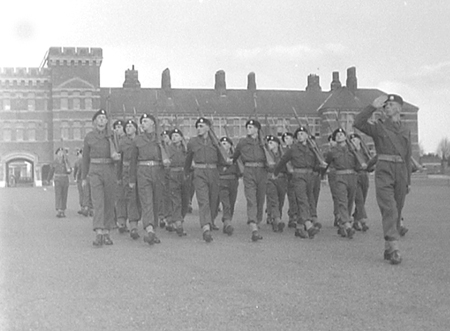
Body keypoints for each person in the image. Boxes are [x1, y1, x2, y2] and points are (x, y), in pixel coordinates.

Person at [354, 94, 412, 265]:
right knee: (390, 208)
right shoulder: (379, 127)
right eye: (385, 105)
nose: (387, 107)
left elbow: (408, 156)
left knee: (398, 209)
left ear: (399, 109)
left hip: (401, 171)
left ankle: (388, 247)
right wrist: (372, 106)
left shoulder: (405, 130)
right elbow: (358, 123)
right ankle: (394, 248)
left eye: (391, 104)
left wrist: (408, 180)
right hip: (384, 170)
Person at [82, 109, 120, 246]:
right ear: (94, 122)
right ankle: (98, 232)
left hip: (109, 169)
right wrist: (84, 177)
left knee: (109, 202)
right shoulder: (89, 137)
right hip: (95, 170)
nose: (102, 120)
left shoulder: (113, 136)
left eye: (104, 118)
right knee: (98, 202)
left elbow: (118, 154)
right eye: (99, 118)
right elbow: (85, 158)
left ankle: (107, 232)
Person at [274, 126, 320, 239]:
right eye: (298, 134)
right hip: (298, 176)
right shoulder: (293, 149)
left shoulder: (312, 148)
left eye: (303, 133)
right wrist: (275, 172)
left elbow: (317, 163)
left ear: (307, 136)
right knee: (302, 200)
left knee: (309, 200)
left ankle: (299, 228)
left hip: (310, 176)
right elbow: (283, 160)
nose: (300, 136)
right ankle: (308, 225)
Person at [130, 113, 166, 245]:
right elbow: (133, 161)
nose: (143, 123)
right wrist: (132, 180)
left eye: (145, 121)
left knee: (156, 202)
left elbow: (166, 158)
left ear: (153, 124)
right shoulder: (137, 140)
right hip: (143, 172)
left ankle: (153, 230)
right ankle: (149, 229)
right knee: (147, 201)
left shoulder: (160, 139)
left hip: (157, 172)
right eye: (142, 121)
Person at [184, 117, 223, 243]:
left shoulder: (215, 142)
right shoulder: (193, 142)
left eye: (201, 126)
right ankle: (205, 228)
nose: (199, 128)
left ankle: (210, 220)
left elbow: (222, 159)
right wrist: (186, 172)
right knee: (203, 200)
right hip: (199, 172)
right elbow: (188, 159)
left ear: (208, 127)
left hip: (213, 172)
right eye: (198, 126)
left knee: (213, 201)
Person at [232, 119, 268, 242]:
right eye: (247, 127)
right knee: (251, 199)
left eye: (251, 127)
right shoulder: (242, 142)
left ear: (257, 129)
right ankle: (253, 227)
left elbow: (271, 157)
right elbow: (235, 156)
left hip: (262, 171)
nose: (249, 129)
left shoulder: (264, 142)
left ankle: (257, 220)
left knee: (260, 199)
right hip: (249, 171)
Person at [325, 128, 358, 240]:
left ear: (345, 136)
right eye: (337, 135)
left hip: (352, 177)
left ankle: (343, 223)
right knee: (342, 201)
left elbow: (359, 163)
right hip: (340, 177)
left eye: (341, 134)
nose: (339, 136)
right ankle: (347, 225)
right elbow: (326, 164)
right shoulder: (332, 151)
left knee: (350, 201)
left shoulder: (352, 149)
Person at [117, 119, 141, 239]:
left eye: (131, 126)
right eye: (127, 127)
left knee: (138, 198)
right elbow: (120, 160)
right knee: (127, 196)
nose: (128, 129)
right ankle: (129, 224)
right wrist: (118, 176)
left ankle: (134, 222)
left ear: (136, 129)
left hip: (139, 171)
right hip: (126, 171)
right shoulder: (122, 142)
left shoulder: (140, 140)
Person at [166, 129, 190, 236]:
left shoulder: (186, 149)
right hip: (172, 174)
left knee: (185, 200)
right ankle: (178, 224)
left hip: (184, 175)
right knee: (176, 200)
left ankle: (178, 219)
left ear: (181, 137)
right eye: (173, 136)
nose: (174, 137)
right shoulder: (167, 149)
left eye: (177, 135)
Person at [265, 135, 287, 232]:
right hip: (270, 179)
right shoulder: (266, 155)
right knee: (274, 200)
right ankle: (277, 219)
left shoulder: (283, 154)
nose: (269, 144)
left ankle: (277, 220)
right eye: (269, 143)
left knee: (281, 200)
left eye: (272, 143)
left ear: (277, 144)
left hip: (282, 179)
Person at [349, 133, 370, 232]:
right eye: (351, 141)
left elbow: (370, 163)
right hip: (355, 176)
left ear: (359, 141)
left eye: (355, 140)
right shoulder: (350, 152)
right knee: (359, 199)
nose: (353, 142)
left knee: (363, 199)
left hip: (364, 176)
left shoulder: (364, 151)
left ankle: (356, 220)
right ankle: (363, 221)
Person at [218, 136, 239, 236]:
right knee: (226, 203)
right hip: (222, 181)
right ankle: (227, 222)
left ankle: (227, 222)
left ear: (230, 145)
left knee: (232, 203)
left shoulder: (236, 156)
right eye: (222, 143)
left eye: (226, 143)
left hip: (233, 181)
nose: (224, 145)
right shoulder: (218, 156)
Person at [48, 147, 72, 218]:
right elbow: (51, 171)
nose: (61, 154)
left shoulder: (66, 161)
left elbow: (70, 171)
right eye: (59, 153)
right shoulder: (54, 162)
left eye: (62, 153)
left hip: (65, 179)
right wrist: (48, 179)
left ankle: (63, 210)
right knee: (58, 194)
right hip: (58, 179)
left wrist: (68, 168)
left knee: (64, 195)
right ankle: (59, 210)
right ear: (57, 154)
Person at [281, 132, 297, 228]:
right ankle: (293, 217)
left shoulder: (296, 149)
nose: (287, 140)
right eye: (285, 138)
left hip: (298, 175)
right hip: (288, 177)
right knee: (291, 198)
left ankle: (297, 216)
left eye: (289, 138)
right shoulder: (283, 151)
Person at [73, 149, 86, 216]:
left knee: (81, 193)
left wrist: (75, 177)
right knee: (87, 193)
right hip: (88, 178)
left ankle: (83, 207)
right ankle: (88, 208)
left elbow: (76, 171)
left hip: (81, 179)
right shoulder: (87, 160)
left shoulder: (78, 161)